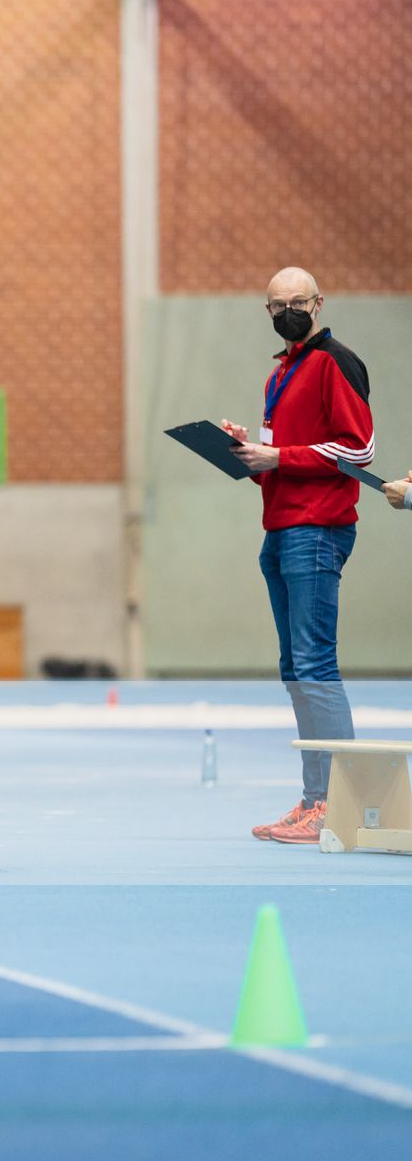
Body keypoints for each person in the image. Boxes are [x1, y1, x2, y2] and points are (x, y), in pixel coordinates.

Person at [222, 268, 373, 845]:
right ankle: (315, 798)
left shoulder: (336, 361)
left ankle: (338, 803)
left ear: (319, 303)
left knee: (314, 666)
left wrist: (279, 456)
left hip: (317, 528)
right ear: (267, 312)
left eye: (298, 301)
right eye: (278, 304)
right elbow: (281, 448)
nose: (289, 310)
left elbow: (360, 448)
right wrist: (250, 451)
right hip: (281, 527)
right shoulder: (279, 373)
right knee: (296, 670)